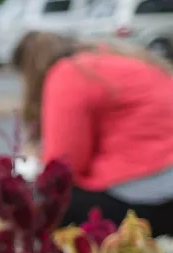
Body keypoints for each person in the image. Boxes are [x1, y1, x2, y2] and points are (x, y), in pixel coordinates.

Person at [12, 31, 173, 235]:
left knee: (45, 203)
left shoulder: (69, 72)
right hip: (165, 182)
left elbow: (63, 166)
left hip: (146, 198)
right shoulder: (118, 58)